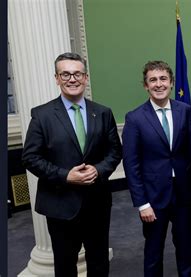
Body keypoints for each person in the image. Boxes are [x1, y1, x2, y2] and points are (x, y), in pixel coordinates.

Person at [22, 52, 122, 276]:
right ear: (57, 78)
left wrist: (98, 170)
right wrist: (66, 176)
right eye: (65, 74)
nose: (72, 79)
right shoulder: (42, 115)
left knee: (99, 261)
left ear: (85, 78)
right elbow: (30, 157)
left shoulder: (103, 113)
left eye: (77, 74)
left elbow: (115, 151)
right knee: (65, 265)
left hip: (97, 202)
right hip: (60, 204)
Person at [122, 60, 191, 277]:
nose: (159, 84)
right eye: (153, 80)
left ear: (171, 82)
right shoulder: (135, 118)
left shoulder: (184, 111)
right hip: (153, 198)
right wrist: (142, 203)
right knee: (153, 252)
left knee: (186, 250)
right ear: (146, 86)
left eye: (163, 79)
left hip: (184, 195)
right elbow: (131, 164)